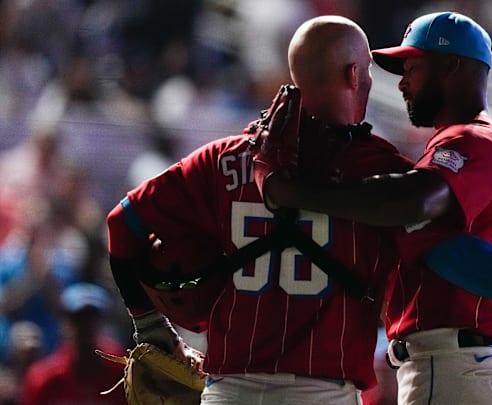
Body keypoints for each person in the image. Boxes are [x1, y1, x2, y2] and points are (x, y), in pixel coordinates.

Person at [258, 11, 492, 404]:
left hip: (456, 367)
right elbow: (468, 261)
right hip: (479, 366)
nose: (402, 83)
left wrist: (296, 193)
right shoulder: (477, 145)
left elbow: (418, 204)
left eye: (412, 67)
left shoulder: (473, 139)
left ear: (450, 65)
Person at [105, 15, 413, 404]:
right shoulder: (386, 170)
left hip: (229, 391)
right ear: (354, 74)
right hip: (323, 393)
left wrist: (148, 324)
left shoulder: (221, 158)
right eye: (367, 71)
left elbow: (122, 223)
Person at [21, 282, 126, 405]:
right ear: (64, 323)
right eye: (78, 319)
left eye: (91, 318)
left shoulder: (122, 372)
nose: (85, 326)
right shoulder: (43, 378)